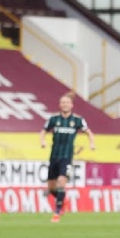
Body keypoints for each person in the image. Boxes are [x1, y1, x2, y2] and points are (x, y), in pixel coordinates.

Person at [39, 93, 95, 223]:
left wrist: (92, 143)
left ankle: (57, 212)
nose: (65, 104)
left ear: (71, 105)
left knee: (61, 181)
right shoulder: (53, 119)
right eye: (62, 102)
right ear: (60, 105)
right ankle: (63, 200)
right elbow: (43, 131)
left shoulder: (77, 120)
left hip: (67, 157)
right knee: (51, 187)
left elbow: (89, 132)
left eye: (67, 102)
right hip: (54, 156)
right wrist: (42, 141)